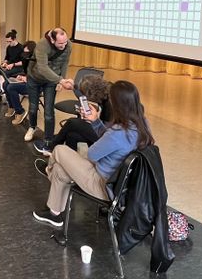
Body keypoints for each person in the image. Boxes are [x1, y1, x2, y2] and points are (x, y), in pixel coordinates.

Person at [32, 81, 152, 228]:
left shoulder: (117, 133)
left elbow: (92, 155)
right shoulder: (142, 124)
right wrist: (95, 122)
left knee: (59, 150)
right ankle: (54, 214)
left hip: (102, 185)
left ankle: (48, 170)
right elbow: (110, 140)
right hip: (121, 185)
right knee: (60, 169)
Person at [25, 28, 74, 156]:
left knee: (49, 111)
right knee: (33, 107)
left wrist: (61, 80)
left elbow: (65, 63)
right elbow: (43, 68)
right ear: (52, 40)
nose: (64, 46)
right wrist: (60, 80)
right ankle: (32, 127)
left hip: (51, 81)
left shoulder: (68, 45)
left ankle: (48, 141)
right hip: (35, 78)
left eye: (65, 42)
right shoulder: (42, 45)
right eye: (60, 43)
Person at [49, 76, 112, 153]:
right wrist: (74, 87)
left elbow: (104, 131)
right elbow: (83, 95)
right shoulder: (104, 92)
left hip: (106, 137)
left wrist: (93, 120)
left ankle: (51, 147)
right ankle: (69, 157)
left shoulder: (110, 105)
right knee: (71, 135)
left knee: (72, 122)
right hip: (103, 130)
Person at [5, 40, 35, 124]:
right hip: (27, 81)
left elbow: (40, 76)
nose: (25, 55)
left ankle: (20, 112)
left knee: (11, 87)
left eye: (27, 53)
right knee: (5, 84)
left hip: (35, 85)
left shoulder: (37, 61)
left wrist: (27, 78)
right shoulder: (27, 60)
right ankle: (12, 107)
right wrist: (21, 76)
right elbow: (27, 72)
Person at [0, 29, 24, 100]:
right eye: (7, 41)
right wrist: (4, 63)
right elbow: (7, 58)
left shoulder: (21, 48)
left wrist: (13, 64)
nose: (9, 43)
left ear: (14, 39)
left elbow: (23, 62)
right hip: (10, 65)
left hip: (18, 67)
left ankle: (9, 92)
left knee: (5, 73)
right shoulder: (8, 47)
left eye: (10, 41)